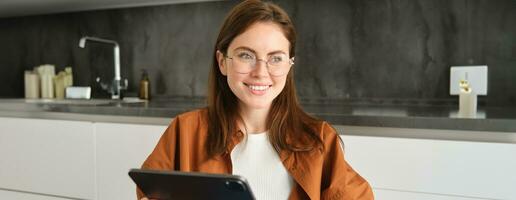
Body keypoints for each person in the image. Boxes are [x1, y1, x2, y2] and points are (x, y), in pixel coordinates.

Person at [138, 0, 373, 199]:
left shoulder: (319, 140)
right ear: (222, 62)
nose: (261, 72)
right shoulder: (185, 131)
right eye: (246, 55)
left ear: (290, 65)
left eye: (276, 58)